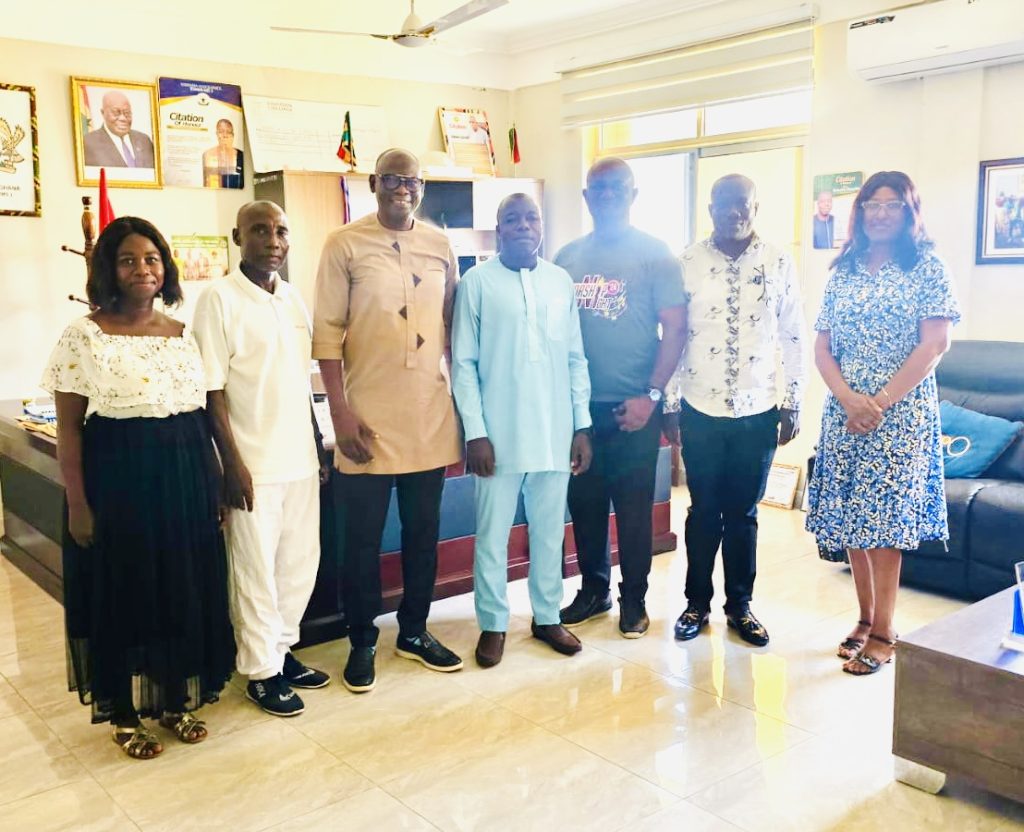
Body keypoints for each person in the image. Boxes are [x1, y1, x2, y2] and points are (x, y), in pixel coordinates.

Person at [43, 217, 234, 760]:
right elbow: (69, 430)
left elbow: (200, 415)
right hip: (119, 482)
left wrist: (215, 481)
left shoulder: (182, 333)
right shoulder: (84, 335)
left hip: (185, 477)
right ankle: (123, 714)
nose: (142, 269)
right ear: (109, 268)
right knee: (124, 592)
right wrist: (78, 502)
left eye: (151, 259)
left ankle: (174, 701)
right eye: (128, 260)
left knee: (181, 588)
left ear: (165, 267)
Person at [314, 148, 464, 693]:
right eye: (393, 179)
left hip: (429, 413)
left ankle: (415, 631)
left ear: (423, 188)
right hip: (366, 420)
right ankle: (361, 639)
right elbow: (327, 335)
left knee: (424, 534)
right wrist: (341, 414)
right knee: (361, 541)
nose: (404, 188)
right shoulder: (344, 244)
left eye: (413, 181)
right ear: (373, 183)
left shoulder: (441, 245)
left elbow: (453, 328)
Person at [806, 171, 960, 675]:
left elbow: (934, 344)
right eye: (872, 204)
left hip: (900, 415)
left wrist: (879, 403)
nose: (881, 213)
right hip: (844, 412)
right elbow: (822, 347)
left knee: (884, 524)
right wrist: (849, 399)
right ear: (860, 212)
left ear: (909, 212)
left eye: (893, 205)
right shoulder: (844, 270)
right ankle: (865, 617)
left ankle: (885, 633)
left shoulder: (928, 267)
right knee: (853, 518)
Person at [193, 201, 331, 717]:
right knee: (255, 573)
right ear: (238, 237)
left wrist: (316, 445)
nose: (273, 240)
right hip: (253, 466)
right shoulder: (218, 299)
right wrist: (231, 465)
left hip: (300, 461)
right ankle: (260, 671)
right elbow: (212, 391)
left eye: (281, 231)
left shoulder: (292, 299)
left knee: (298, 565)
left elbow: (300, 383)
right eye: (259, 230)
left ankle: (282, 650)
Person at [452, 193, 593, 667]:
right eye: (511, 219)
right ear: (499, 229)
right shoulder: (477, 283)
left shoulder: (559, 281)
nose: (523, 225)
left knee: (550, 531)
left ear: (541, 226)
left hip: (555, 429)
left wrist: (582, 424)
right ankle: (493, 623)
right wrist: (475, 432)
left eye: (531, 217)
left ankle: (547, 616)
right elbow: (464, 364)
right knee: (492, 534)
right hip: (498, 435)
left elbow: (575, 357)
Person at [667, 174, 808, 648]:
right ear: (711, 208)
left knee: (744, 513)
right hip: (700, 407)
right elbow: (674, 337)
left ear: (755, 208)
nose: (734, 212)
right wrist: (670, 403)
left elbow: (793, 334)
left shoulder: (778, 261)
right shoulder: (687, 263)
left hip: (758, 409)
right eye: (725, 203)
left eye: (742, 204)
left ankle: (740, 607)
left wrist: (793, 401)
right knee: (703, 511)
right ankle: (695, 604)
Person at [555, 157, 687, 638]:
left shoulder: (656, 254)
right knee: (585, 505)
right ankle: (594, 591)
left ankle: (634, 600)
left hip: (634, 407)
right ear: (586, 198)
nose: (607, 195)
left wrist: (651, 396)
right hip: (580, 409)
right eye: (599, 188)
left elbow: (676, 329)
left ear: (633, 194)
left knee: (632, 511)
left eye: (617, 187)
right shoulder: (566, 258)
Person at [83, 91, 155, 168]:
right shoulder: (88, 143)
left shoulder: (144, 140)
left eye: (127, 113)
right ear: (103, 113)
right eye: (116, 113)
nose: (123, 118)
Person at [202, 118, 244, 189]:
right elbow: (207, 184)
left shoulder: (241, 156)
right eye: (221, 131)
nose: (225, 135)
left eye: (228, 132)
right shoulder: (208, 155)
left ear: (233, 135)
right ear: (217, 134)